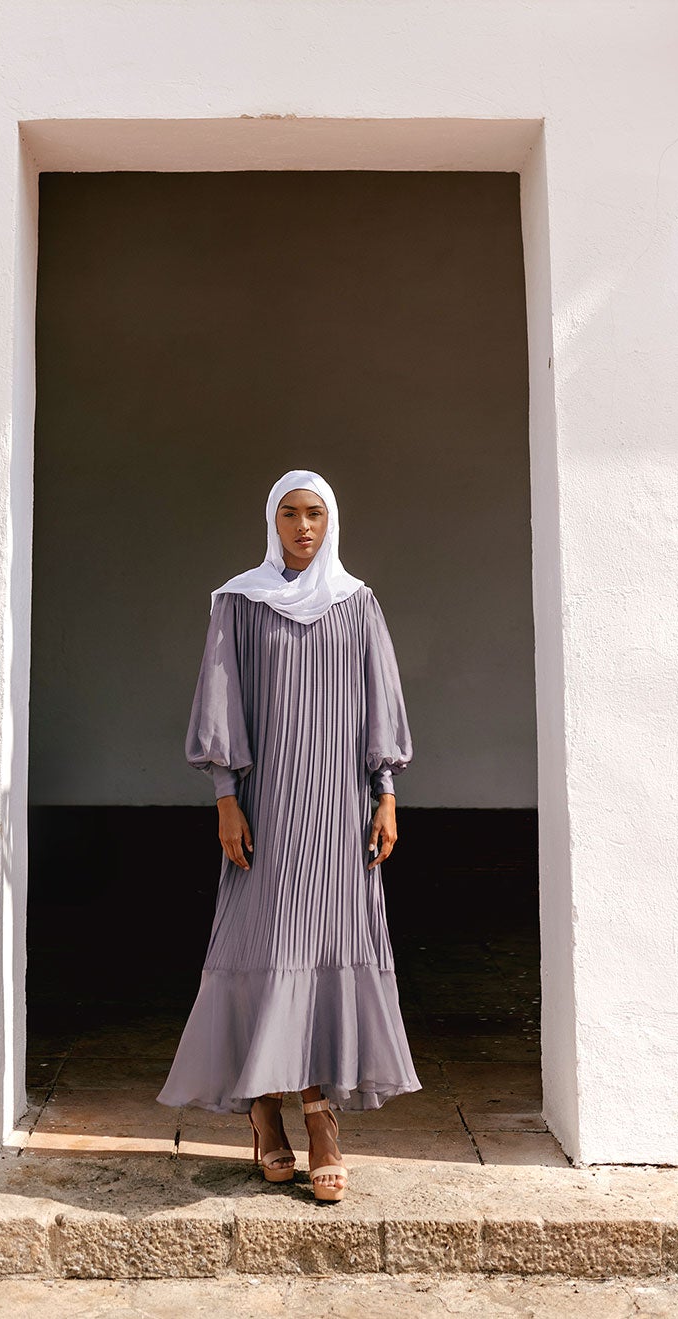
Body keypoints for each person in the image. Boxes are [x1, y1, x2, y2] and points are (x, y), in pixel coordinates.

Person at [156, 469, 419, 1201]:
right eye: (289, 514)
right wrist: (226, 798)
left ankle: (319, 1115)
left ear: (331, 521)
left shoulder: (357, 603)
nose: (303, 527)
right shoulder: (239, 603)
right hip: (267, 808)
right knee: (261, 946)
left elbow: (380, 705)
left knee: (329, 946)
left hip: (339, 810)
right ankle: (266, 1111)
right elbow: (222, 702)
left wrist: (387, 793)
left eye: (315, 514)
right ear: (271, 522)